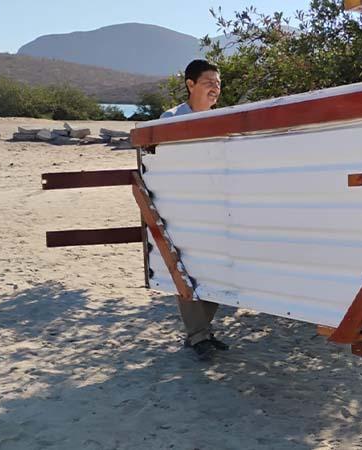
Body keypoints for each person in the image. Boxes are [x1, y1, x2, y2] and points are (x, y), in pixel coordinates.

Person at [158, 59, 226, 360]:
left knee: (217, 270)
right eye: (209, 82)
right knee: (186, 272)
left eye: (218, 83)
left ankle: (200, 332)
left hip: (214, 207)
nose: (216, 88)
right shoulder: (171, 118)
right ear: (190, 85)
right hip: (182, 208)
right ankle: (199, 336)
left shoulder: (223, 118)